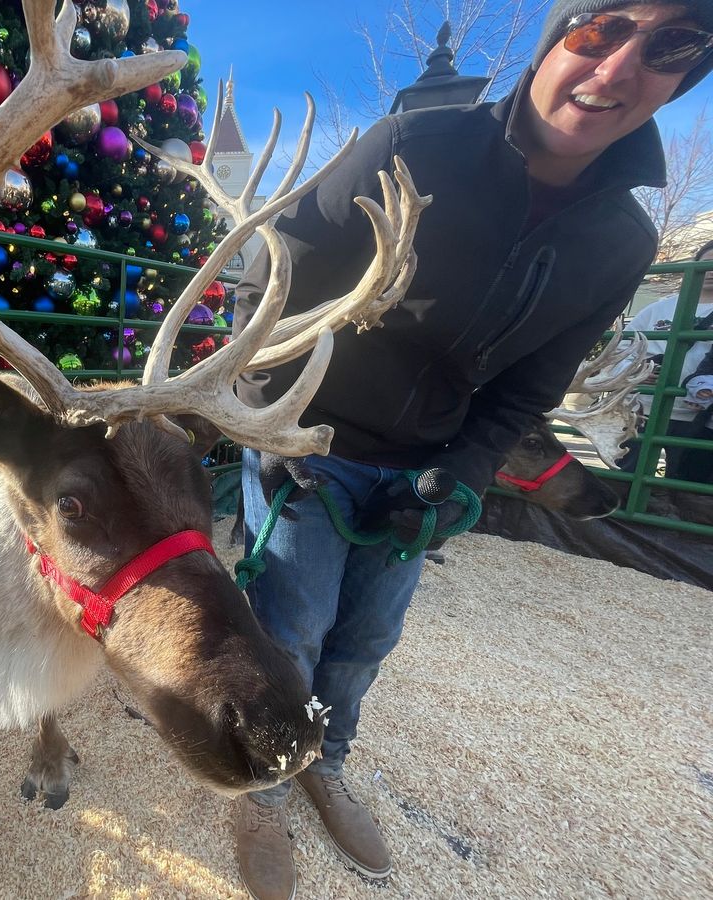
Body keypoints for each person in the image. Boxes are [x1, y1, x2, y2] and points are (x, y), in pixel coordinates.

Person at [228, 3, 713, 897]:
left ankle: (324, 761)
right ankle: (265, 772)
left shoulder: (623, 243)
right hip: (313, 437)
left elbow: (529, 390)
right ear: (556, 37)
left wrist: (462, 475)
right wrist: (267, 415)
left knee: (368, 636)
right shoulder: (410, 141)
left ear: (688, 76)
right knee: (289, 624)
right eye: (601, 30)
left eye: (672, 46)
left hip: (425, 461)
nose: (615, 70)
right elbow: (276, 267)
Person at [616, 239, 713, 482]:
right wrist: (635, 372)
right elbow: (622, 348)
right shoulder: (659, 309)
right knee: (627, 477)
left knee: (686, 487)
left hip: (698, 417)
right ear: (695, 265)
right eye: (707, 263)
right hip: (643, 409)